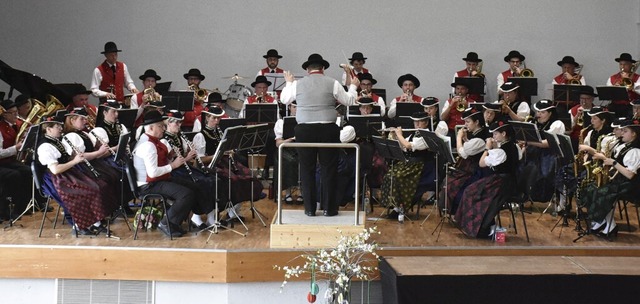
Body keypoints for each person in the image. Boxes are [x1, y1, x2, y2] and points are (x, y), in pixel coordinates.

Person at [280, 53, 359, 216]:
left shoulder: (297, 84)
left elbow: (284, 99)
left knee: (307, 169)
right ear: (322, 68)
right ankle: (329, 209)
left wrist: (288, 83)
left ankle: (309, 209)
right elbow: (350, 101)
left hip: (304, 130)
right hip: (327, 129)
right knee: (329, 169)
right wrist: (353, 86)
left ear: (308, 69)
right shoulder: (333, 83)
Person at [37, 112, 119, 235]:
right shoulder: (44, 146)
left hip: (67, 174)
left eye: (60, 126)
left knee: (98, 186)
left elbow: (66, 159)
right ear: (48, 129)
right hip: (54, 179)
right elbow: (55, 169)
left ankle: (95, 222)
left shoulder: (58, 141)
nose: (61, 128)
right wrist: (75, 161)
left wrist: (74, 157)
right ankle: (79, 225)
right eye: (57, 127)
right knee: (86, 191)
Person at [133, 111, 202, 238]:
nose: (163, 128)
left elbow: (157, 163)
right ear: (151, 128)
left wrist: (169, 158)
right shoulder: (148, 145)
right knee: (185, 194)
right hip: (149, 184)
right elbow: (153, 172)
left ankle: (175, 223)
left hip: (157, 180)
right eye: (160, 126)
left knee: (193, 186)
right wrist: (173, 165)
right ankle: (166, 223)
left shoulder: (151, 140)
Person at [192, 104, 263, 222]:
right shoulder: (200, 135)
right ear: (207, 118)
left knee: (248, 176)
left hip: (224, 162)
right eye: (214, 118)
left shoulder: (220, 132)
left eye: (218, 118)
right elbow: (200, 160)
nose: (216, 121)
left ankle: (233, 212)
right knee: (233, 180)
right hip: (210, 166)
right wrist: (220, 154)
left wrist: (230, 151)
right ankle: (219, 212)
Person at [454, 120, 520, 238]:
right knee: (472, 189)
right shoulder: (513, 146)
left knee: (471, 191)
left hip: (502, 183)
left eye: (495, 134)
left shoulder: (501, 151)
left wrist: (487, 148)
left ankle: (478, 227)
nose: (493, 137)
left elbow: (481, 163)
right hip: (508, 181)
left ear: (503, 134)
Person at [579, 119, 640, 239]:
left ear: (634, 134)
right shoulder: (623, 146)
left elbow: (630, 175)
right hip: (618, 180)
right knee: (590, 187)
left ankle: (609, 226)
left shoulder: (636, 151)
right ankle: (602, 222)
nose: (621, 133)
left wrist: (613, 163)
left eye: (625, 131)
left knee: (601, 191)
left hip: (630, 184)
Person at [162, 110, 218, 230]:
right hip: (174, 172)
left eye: (180, 123)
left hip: (183, 169)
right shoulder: (164, 140)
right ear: (168, 123)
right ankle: (196, 218)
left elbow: (185, 159)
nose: (179, 125)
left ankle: (210, 217)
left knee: (211, 179)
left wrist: (189, 152)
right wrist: (187, 157)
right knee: (201, 183)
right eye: (176, 123)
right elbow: (167, 163)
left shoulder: (179, 137)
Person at [381, 112, 436, 218]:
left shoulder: (427, 136)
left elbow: (409, 145)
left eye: (420, 122)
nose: (417, 124)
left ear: (426, 123)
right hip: (409, 163)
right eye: (415, 122)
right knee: (389, 175)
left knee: (398, 177)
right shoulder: (415, 133)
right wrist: (395, 137)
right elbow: (404, 146)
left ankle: (400, 207)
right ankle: (393, 204)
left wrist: (399, 135)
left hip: (420, 166)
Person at [441, 107, 490, 215]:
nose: (465, 124)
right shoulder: (478, 133)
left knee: (451, 184)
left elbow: (462, 152)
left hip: (476, 172)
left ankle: (456, 213)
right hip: (471, 167)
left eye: (468, 122)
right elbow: (472, 148)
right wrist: (465, 140)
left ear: (477, 122)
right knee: (447, 180)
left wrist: (458, 137)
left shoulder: (480, 138)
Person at [522, 100, 566, 203]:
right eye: (538, 112)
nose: (538, 115)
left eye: (542, 112)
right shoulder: (533, 122)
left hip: (550, 154)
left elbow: (548, 143)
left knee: (544, 173)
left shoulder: (557, 124)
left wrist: (529, 141)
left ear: (550, 113)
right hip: (534, 152)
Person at [0, 99, 30, 220]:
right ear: (4, 114)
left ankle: (21, 207)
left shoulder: (16, 125)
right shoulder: (0, 128)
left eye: (16, 112)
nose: (16, 115)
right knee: (14, 175)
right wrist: (15, 148)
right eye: (12, 113)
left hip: (9, 161)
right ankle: (5, 210)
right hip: (2, 162)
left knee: (29, 171)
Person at [273, 101, 301, 204]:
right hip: (286, 148)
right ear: (289, 107)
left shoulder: (306, 121)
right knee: (290, 161)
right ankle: (288, 192)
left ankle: (302, 192)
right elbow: (278, 143)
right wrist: (290, 139)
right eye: (294, 107)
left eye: (299, 107)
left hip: (301, 147)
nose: (296, 109)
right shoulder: (281, 122)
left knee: (305, 160)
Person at [606, 53, 640, 117]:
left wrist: (632, 86)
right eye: (621, 64)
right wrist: (614, 88)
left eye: (625, 64)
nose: (622, 67)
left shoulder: (638, 78)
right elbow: (607, 95)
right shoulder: (612, 78)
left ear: (631, 65)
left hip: (631, 107)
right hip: (615, 107)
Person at [568, 86, 596, 151]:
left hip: (593, 138)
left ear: (592, 99)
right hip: (577, 140)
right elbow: (569, 130)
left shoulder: (597, 110)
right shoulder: (573, 110)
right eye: (582, 98)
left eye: (587, 99)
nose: (584, 101)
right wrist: (577, 115)